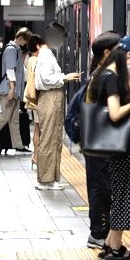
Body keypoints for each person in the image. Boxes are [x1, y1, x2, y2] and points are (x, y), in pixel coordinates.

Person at [87, 43, 130, 260]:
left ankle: (111, 244)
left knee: (123, 194)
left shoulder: (102, 74)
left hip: (111, 146)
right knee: (128, 194)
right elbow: (115, 114)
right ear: (127, 56)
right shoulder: (112, 78)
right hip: (119, 147)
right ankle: (114, 248)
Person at [84, 32, 121, 249]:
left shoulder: (97, 74)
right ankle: (98, 234)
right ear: (107, 52)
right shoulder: (106, 76)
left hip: (95, 140)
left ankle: (98, 232)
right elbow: (113, 113)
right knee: (101, 188)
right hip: (101, 142)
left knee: (98, 186)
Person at [34, 22, 80, 190]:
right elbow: (47, 79)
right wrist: (64, 78)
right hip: (50, 97)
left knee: (53, 138)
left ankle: (50, 179)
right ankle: (46, 180)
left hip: (51, 97)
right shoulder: (46, 55)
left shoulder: (46, 54)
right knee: (50, 139)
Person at [0, 28, 31, 153]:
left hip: (14, 90)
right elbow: (10, 70)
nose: (25, 44)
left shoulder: (15, 49)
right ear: (20, 38)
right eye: (25, 41)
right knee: (4, 117)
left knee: (14, 119)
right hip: (9, 89)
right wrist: (12, 89)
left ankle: (18, 144)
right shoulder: (11, 50)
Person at [24, 34, 45, 169]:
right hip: (40, 98)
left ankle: (35, 156)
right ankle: (37, 156)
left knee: (37, 128)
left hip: (32, 97)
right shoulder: (38, 60)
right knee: (41, 129)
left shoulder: (29, 59)